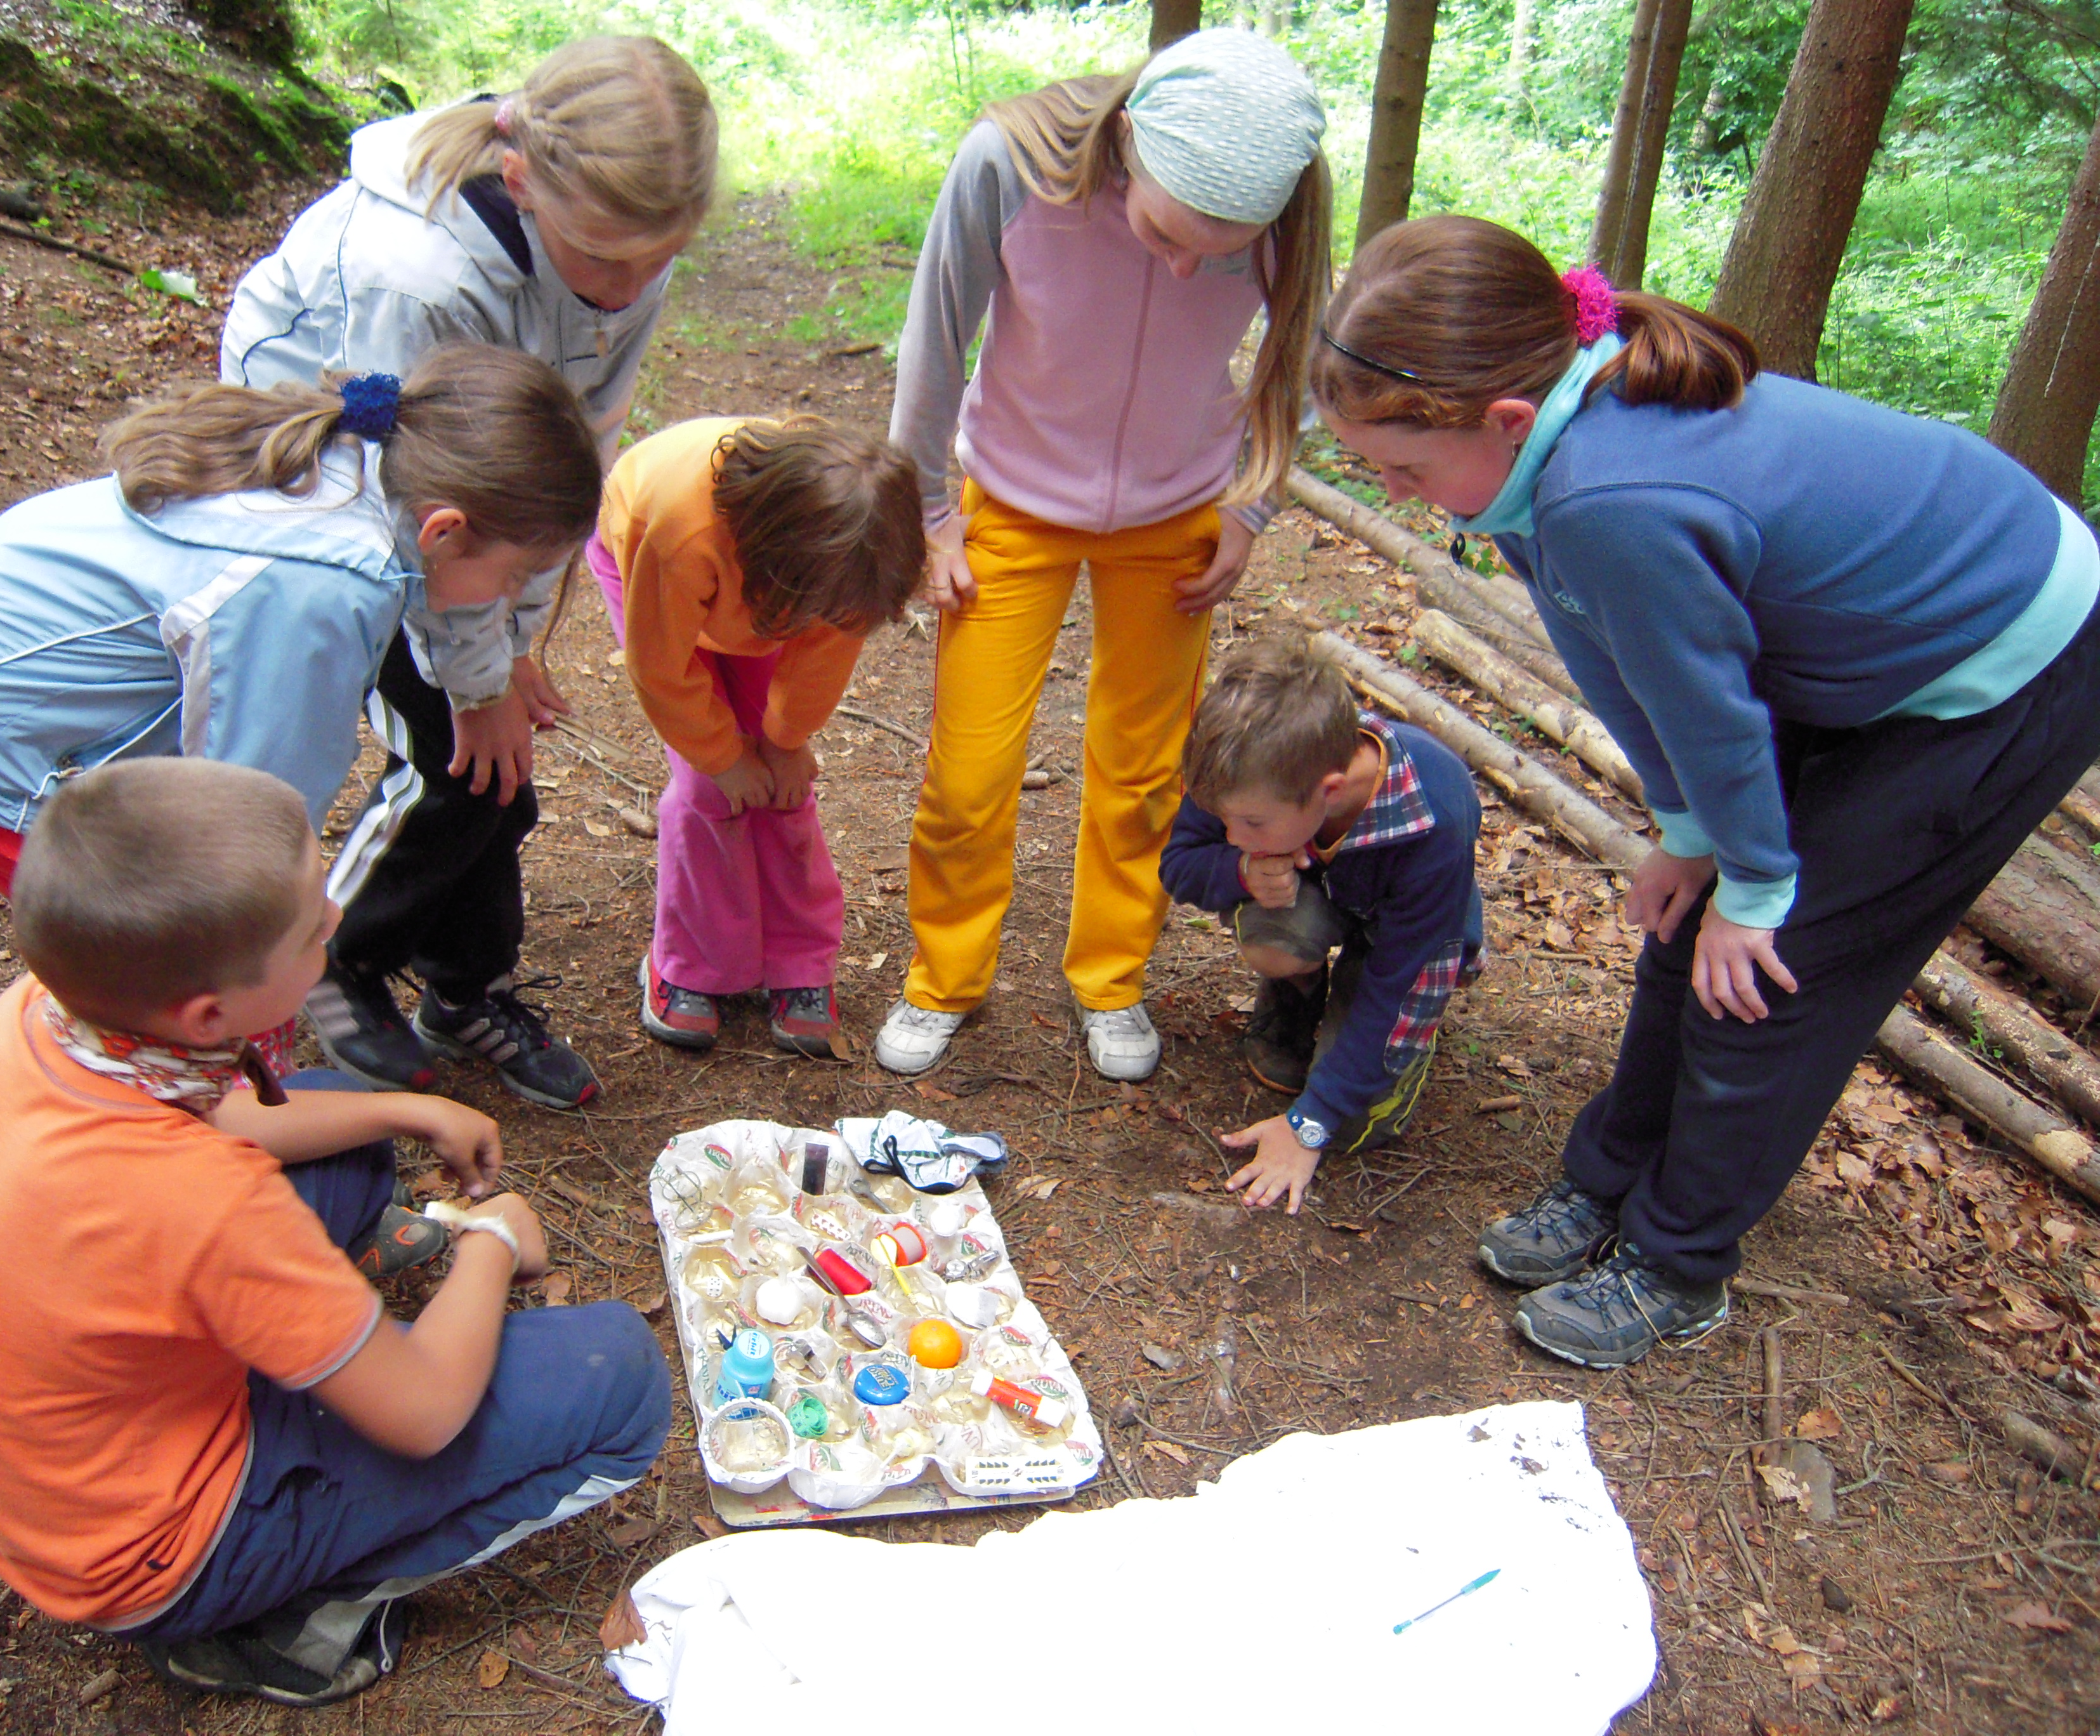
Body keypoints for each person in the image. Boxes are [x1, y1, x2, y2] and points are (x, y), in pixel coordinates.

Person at [1315, 213, 2100, 1367]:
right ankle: (1608, 1181)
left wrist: (1760, 886)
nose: (1394, 490)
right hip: (1847, 643)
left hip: (1995, 659)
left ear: (1506, 419)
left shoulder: (1610, 497)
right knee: (1689, 929)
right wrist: (1689, 836)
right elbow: (1620, 668)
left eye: (1404, 469)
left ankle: (1680, 1261)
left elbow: (1711, 713)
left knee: (1769, 979)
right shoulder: (1532, 470)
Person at [0, 758, 669, 1708]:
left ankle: (319, 1333)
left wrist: (407, 1110)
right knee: (621, 1380)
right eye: (310, 928)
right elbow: (425, 1412)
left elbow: (232, 1120)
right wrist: (492, 1244)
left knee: (344, 1117)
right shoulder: (203, 1201)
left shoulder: (49, 1013)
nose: (336, 920)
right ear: (210, 1014)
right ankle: (279, 1619)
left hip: (60, 1468)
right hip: (151, 1554)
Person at [0, 346, 601, 1077]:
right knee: (185, 967)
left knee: (234, 952)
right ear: (444, 531)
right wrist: (290, 935)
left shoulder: (372, 462)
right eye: (514, 576)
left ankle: (227, 1090)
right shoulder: (326, 585)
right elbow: (251, 812)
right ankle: (208, 1108)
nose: (508, 598)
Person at [221, 39, 717, 1103]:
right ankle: (331, 955)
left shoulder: (623, 243)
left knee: (498, 775)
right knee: (449, 760)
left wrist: (516, 649)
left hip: (471, 506)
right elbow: (422, 512)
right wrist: (478, 679)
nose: (627, 289)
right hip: (344, 503)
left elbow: (561, 462)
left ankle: (463, 988)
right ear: (524, 181)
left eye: (658, 258)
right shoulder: (418, 277)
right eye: (604, 259)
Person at [876, 27, 1332, 1083]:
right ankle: (944, 977)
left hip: (1176, 512)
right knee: (970, 769)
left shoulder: (1285, 204)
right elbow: (934, 338)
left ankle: (1111, 978)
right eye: (1166, 233)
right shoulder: (1008, 167)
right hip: (1011, 494)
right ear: (1127, 142)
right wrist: (929, 512)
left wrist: (1250, 509)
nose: (1184, 267)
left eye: (1215, 254)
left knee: (1144, 770)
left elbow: (1305, 354)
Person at [592, 416, 925, 1057]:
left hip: (773, 595)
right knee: (708, 792)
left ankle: (799, 962)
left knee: (783, 788)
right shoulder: (679, 533)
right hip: (657, 581)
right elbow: (661, 668)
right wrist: (722, 758)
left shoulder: (849, 554)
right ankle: (688, 964)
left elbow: (825, 651)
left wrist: (784, 741)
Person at [1160, 638, 1481, 1213]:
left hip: (1406, 941)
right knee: (1276, 942)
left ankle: (1375, 1038)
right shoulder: (1249, 762)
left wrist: (1311, 1122)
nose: (1232, 835)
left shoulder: (1435, 819)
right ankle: (1298, 997)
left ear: (1328, 792)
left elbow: (1400, 984)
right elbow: (1179, 862)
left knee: (1353, 1125)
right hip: (1324, 893)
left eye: (1250, 824)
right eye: (1225, 819)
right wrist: (1240, 870)